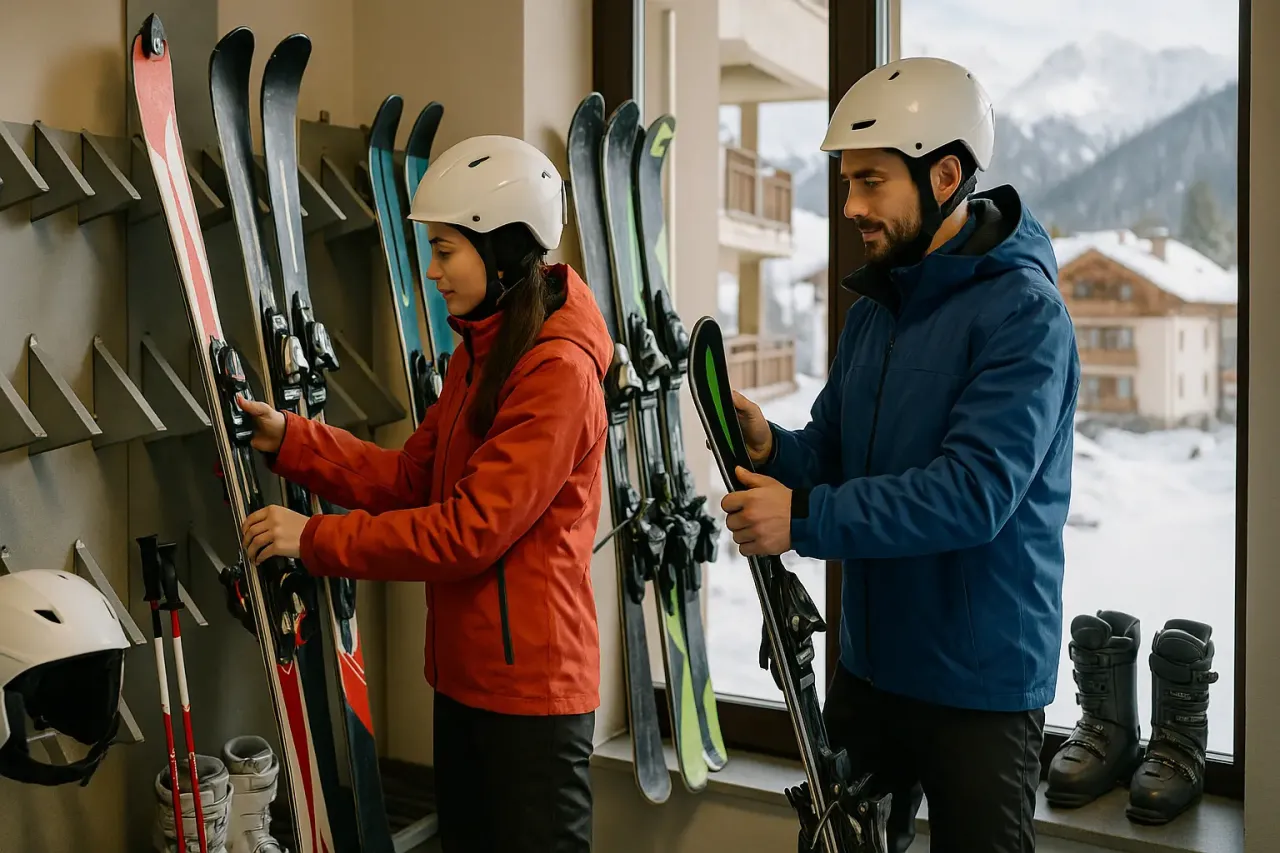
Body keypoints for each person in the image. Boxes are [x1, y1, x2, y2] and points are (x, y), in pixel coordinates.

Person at [723, 57, 1080, 852]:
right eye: (847, 182)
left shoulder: (1026, 316)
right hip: (874, 672)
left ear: (945, 174)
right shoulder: (877, 311)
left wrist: (805, 517)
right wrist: (775, 449)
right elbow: (838, 454)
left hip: (979, 690)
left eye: (873, 182)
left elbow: (971, 493)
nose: (851, 205)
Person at [233, 134, 613, 853]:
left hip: (531, 696)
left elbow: (468, 531)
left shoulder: (556, 371)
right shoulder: (482, 349)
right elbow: (412, 478)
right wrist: (293, 440)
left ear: (501, 248)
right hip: (466, 681)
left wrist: (314, 540)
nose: (431, 273)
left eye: (445, 250)